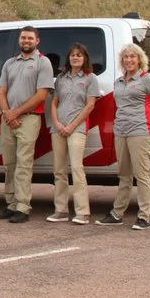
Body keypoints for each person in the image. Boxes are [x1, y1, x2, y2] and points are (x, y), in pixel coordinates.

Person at [97, 43, 150, 230]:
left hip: (141, 132)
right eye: (125, 57)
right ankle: (117, 213)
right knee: (124, 175)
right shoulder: (118, 81)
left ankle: (144, 216)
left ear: (139, 59)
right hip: (121, 131)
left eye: (132, 57)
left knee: (141, 175)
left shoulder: (146, 79)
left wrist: (149, 124)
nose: (128, 60)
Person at [0, 26, 54, 224]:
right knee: (9, 164)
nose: (26, 41)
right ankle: (10, 203)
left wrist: (15, 113)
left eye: (30, 38)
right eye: (23, 38)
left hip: (28, 118)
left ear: (37, 41)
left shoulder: (42, 62)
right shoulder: (10, 63)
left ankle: (22, 206)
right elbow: (1, 91)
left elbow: (42, 95)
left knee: (23, 163)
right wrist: (7, 113)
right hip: (8, 119)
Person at [47, 43, 99, 225]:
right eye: (72, 55)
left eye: (79, 55)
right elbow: (54, 103)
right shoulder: (61, 78)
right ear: (68, 58)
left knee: (77, 169)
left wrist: (72, 125)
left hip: (77, 129)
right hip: (58, 128)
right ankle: (60, 210)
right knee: (59, 171)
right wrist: (58, 123)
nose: (75, 58)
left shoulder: (90, 78)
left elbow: (90, 105)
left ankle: (82, 212)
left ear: (85, 58)